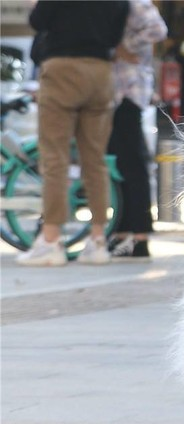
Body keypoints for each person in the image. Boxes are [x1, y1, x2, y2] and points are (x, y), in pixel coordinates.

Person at [18, 0, 130, 267]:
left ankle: (51, 240)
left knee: (55, 157)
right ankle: (98, 240)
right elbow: (116, 36)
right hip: (101, 73)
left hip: (62, 69)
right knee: (95, 159)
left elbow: (37, 21)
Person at [107, 0, 167, 260]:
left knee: (133, 164)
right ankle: (122, 232)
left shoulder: (135, 3)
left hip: (128, 91)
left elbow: (158, 29)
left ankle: (140, 236)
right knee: (119, 164)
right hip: (117, 91)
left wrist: (123, 47)